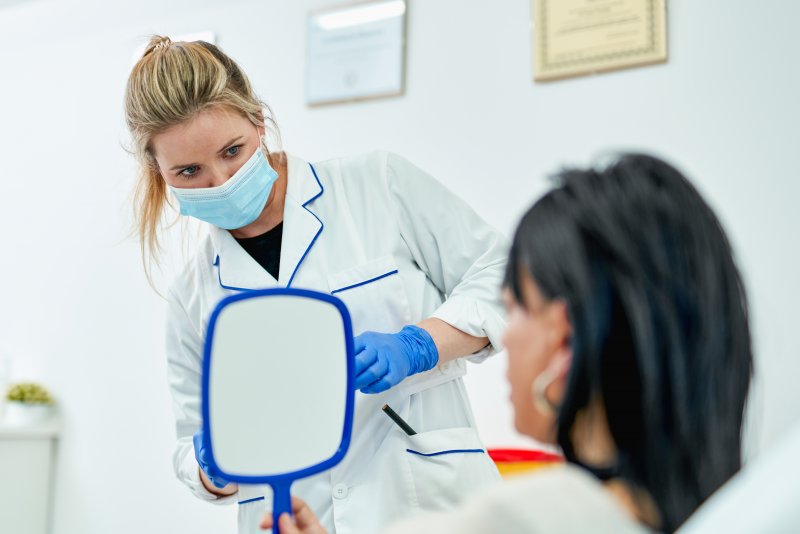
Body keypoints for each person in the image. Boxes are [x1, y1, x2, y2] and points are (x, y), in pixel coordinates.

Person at [123, 36, 506, 534]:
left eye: (233, 151)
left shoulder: (376, 186)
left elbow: (503, 278)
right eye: (189, 171)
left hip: (427, 504)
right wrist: (212, 464)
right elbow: (190, 446)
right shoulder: (192, 292)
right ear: (160, 173)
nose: (219, 180)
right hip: (293, 518)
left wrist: (420, 345)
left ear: (259, 123)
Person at [262, 154, 753, 533]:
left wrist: (415, 346)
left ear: (563, 338)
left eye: (515, 304)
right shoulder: (718, 505)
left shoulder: (525, 518)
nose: (503, 330)